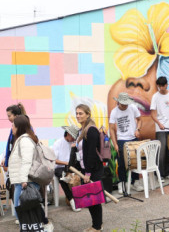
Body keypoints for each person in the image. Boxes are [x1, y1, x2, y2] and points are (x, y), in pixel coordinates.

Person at [8, 115, 54, 231]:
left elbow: (26, 161)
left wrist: (23, 180)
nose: (11, 128)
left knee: (24, 208)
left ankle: (44, 225)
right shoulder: (21, 140)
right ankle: (40, 225)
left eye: (13, 126)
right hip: (21, 180)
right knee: (25, 207)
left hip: (25, 181)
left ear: (19, 127)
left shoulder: (25, 141)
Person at [75, 104, 104, 232]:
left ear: (88, 114)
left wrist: (88, 172)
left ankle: (97, 227)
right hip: (85, 169)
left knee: (94, 200)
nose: (78, 116)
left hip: (92, 170)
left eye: (81, 113)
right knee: (90, 200)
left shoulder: (91, 130)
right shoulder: (82, 130)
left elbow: (92, 152)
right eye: (76, 113)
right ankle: (95, 225)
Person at [109, 92, 144, 194]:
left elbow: (139, 120)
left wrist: (138, 129)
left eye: (126, 103)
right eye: (123, 103)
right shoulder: (114, 112)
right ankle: (122, 183)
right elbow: (111, 129)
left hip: (133, 138)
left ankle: (135, 182)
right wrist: (115, 144)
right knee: (121, 163)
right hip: (121, 139)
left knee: (135, 161)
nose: (125, 105)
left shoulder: (132, 107)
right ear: (118, 102)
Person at [150, 76, 169, 180]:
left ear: (167, 84)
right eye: (159, 86)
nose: (161, 88)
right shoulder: (155, 96)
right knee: (161, 152)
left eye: (163, 85)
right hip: (161, 128)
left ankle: (168, 173)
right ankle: (160, 175)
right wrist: (159, 123)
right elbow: (152, 114)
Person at [53, 125, 81, 212]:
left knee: (82, 173)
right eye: (73, 136)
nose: (74, 139)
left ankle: (83, 199)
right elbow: (54, 160)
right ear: (68, 134)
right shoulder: (58, 143)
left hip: (72, 167)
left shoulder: (74, 144)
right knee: (63, 177)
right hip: (60, 167)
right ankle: (72, 200)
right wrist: (67, 163)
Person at [1, 103, 27, 171]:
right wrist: (5, 157)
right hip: (15, 162)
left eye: (9, 116)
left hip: (20, 163)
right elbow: (10, 145)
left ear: (16, 116)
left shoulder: (24, 128)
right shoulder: (14, 128)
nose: (8, 118)